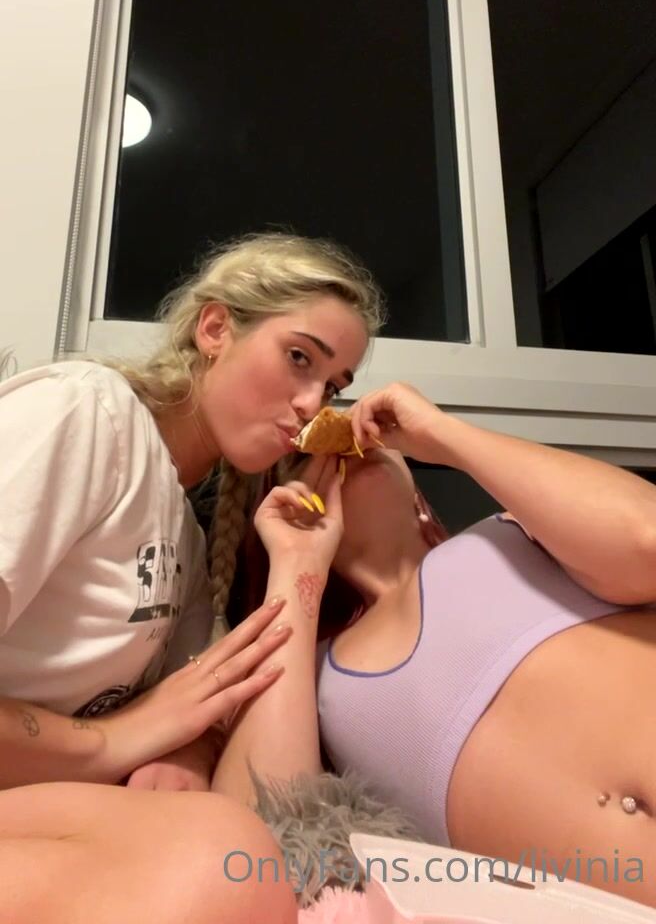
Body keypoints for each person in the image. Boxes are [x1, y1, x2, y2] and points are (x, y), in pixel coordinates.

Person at [0, 230, 384, 924]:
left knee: (241, 856)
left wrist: (192, 747)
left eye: (332, 387)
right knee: (221, 860)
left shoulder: (186, 536)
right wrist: (113, 741)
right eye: (299, 357)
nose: (312, 404)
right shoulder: (87, 413)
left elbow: (218, 719)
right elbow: (142, 724)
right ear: (214, 329)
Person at [212, 381, 656, 910]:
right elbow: (254, 832)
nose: (344, 442)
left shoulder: (513, 535)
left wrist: (444, 435)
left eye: (361, 429)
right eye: (306, 455)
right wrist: (297, 563)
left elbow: (646, 536)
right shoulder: (312, 677)